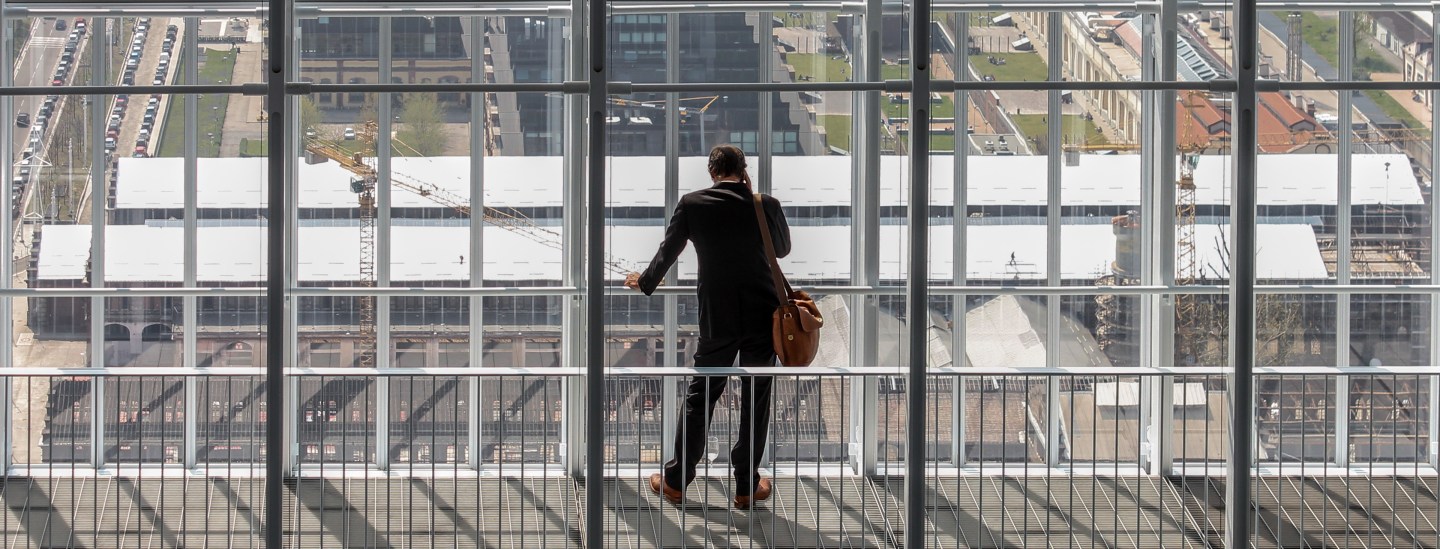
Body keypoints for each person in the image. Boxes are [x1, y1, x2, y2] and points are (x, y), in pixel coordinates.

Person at [624, 144, 791, 510]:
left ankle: (675, 481)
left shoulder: (693, 204)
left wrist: (645, 282)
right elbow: (781, 250)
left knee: (701, 397)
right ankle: (746, 486)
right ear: (743, 170)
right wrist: (754, 197)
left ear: (712, 171)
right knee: (755, 399)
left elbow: (668, 251)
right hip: (763, 316)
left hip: (717, 317)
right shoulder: (766, 204)